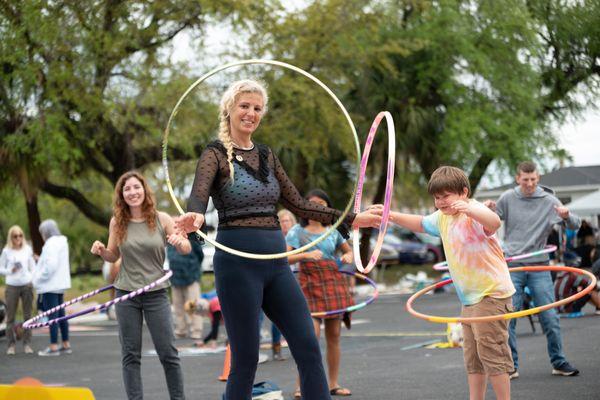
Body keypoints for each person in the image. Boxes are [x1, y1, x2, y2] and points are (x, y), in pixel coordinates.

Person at [175, 79, 381, 400]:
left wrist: (353, 218)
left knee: (307, 347)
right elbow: (199, 196)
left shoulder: (268, 155)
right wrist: (196, 217)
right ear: (229, 108)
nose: (251, 113)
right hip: (237, 266)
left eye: (257, 108)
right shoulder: (215, 154)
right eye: (244, 106)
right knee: (245, 359)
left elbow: (299, 204)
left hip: (276, 265)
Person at [385, 166, 514, 400]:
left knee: (492, 354)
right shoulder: (443, 218)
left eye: (446, 196)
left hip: (491, 294)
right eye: (436, 197)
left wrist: (471, 208)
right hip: (469, 299)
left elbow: (494, 222)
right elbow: (421, 223)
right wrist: (390, 215)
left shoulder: (473, 212)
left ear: (463, 192)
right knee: (473, 357)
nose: (441, 202)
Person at [91, 171, 190, 400]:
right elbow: (112, 255)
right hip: (126, 294)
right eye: (127, 189)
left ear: (144, 190)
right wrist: (101, 251)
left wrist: (179, 241)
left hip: (156, 294)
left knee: (168, 353)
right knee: (130, 355)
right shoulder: (118, 222)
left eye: (136, 187)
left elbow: (185, 247)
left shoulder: (161, 218)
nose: (133, 192)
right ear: (122, 195)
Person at [484, 161, 581, 378]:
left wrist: (566, 216)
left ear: (538, 178)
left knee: (550, 316)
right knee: (510, 317)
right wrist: (487, 209)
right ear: (518, 178)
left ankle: (559, 362)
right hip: (513, 265)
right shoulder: (508, 197)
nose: (529, 184)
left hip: (538, 265)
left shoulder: (548, 200)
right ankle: (511, 366)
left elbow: (576, 224)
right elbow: (490, 222)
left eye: (533, 180)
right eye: (525, 180)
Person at [285, 189, 355, 398]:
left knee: (333, 337)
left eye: (322, 203)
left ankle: (333, 383)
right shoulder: (296, 232)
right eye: (312, 203)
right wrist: (305, 255)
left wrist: (349, 256)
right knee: (309, 337)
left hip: (333, 283)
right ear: (304, 207)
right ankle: (301, 386)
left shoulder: (333, 230)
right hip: (309, 285)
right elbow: (284, 257)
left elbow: (349, 251)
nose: (317, 207)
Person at [33, 219, 72, 356]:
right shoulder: (62, 242)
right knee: (61, 315)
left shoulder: (50, 244)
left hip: (50, 285)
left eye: (42, 232)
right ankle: (66, 343)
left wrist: (37, 278)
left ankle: (54, 346)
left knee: (52, 317)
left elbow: (50, 266)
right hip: (60, 284)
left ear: (46, 232)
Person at [0, 225, 35, 355]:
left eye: (20, 235)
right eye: (15, 236)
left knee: (28, 316)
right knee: (11, 317)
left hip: (26, 285)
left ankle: (27, 344)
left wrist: (31, 278)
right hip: (12, 285)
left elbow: (33, 267)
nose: (18, 238)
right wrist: (10, 270)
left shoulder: (27, 249)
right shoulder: (6, 251)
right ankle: (11, 345)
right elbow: (0, 268)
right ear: (11, 237)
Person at [167, 235, 204, 340]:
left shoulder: (192, 237)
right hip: (175, 277)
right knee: (178, 307)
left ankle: (196, 331)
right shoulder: (170, 239)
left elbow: (200, 255)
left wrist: (194, 268)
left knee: (193, 306)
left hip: (191, 277)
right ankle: (180, 330)